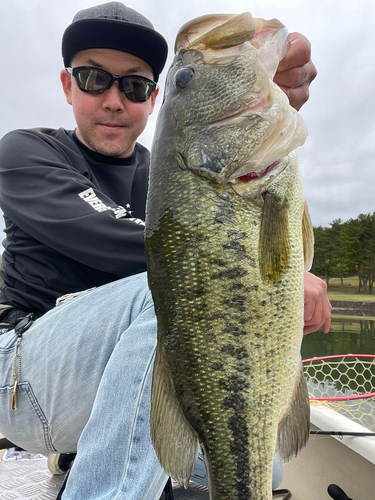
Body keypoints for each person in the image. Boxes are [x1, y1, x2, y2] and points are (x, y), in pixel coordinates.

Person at [0, 2, 330, 499]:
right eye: (93, 79)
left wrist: (263, 108)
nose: (114, 99)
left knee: (267, 472)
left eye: (133, 86)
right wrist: (274, 274)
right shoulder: (24, 152)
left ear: (153, 100)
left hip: (104, 391)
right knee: (176, 293)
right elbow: (164, 252)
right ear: (68, 86)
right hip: (20, 381)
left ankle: (92, 460)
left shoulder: (167, 170)